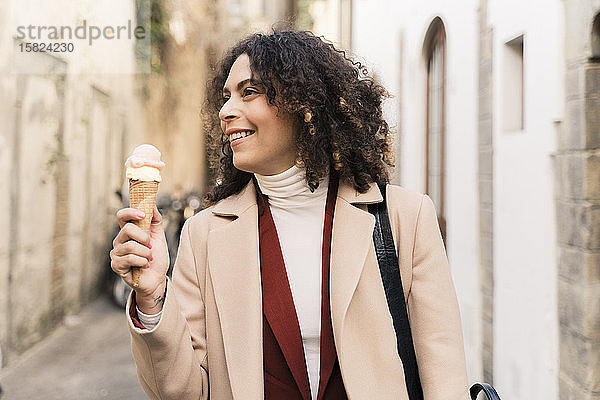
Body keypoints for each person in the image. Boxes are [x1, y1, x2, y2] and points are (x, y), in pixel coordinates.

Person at [110, 30, 469, 400]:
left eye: (249, 92)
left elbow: (444, 375)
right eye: (226, 96)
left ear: (304, 104)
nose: (225, 111)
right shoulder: (204, 235)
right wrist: (152, 297)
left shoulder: (404, 219)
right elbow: (183, 392)